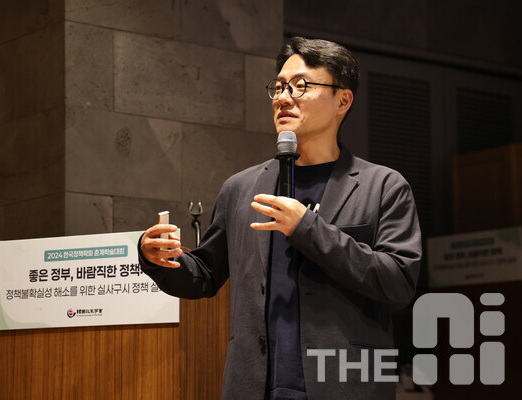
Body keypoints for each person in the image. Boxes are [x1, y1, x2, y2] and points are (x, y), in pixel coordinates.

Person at [138, 37, 422, 400]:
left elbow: (398, 284)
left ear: (343, 100)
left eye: (301, 86)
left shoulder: (382, 186)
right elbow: (204, 275)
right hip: (254, 386)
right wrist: (160, 258)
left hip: (343, 386)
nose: (283, 98)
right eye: (279, 86)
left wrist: (309, 229)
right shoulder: (241, 188)